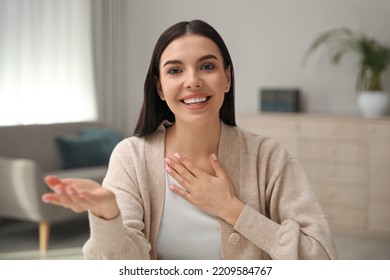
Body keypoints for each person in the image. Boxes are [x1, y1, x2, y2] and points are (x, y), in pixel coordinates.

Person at [42, 19, 337, 260]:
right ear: (159, 87)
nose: (192, 80)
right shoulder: (131, 157)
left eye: (207, 66)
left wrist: (233, 209)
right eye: (175, 70)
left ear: (227, 78)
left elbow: (321, 259)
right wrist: (107, 215)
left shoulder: (268, 156)